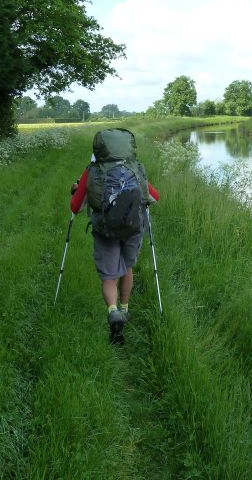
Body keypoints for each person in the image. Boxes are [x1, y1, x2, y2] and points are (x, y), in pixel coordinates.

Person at [70, 128, 159, 344]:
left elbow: (75, 207)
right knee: (127, 268)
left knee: (109, 276)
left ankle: (113, 311)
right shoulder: (135, 169)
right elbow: (154, 196)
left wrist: (77, 190)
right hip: (132, 229)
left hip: (105, 231)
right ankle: (125, 309)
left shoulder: (92, 171)